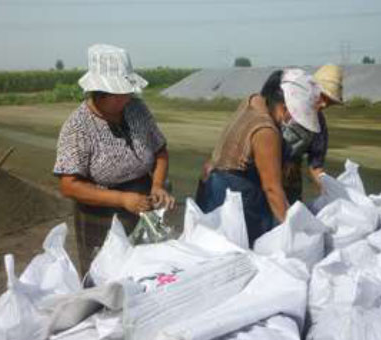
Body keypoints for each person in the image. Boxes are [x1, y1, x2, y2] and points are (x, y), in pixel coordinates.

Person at [54, 44, 175, 276]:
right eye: (119, 93)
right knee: (109, 280)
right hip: (101, 216)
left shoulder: (137, 109)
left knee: (152, 270)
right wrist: (121, 199)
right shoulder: (78, 126)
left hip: (144, 203)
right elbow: (68, 185)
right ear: (99, 93)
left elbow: (160, 150)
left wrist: (157, 185)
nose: (126, 97)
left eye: (127, 91)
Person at [196, 68, 323, 245]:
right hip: (236, 200)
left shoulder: (253, 101)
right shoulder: (266, 131)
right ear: (284, 108)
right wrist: (292, 232)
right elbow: (272, 189)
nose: (293, 123)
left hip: (213, 188)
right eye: (295, 117)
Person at [282, 64, 344, 203]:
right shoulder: (284, 106)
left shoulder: (319, 125)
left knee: (292, 217)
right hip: (264, 172)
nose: (324, 105)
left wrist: (328, 191)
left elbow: (316, 165)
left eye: (329, 102)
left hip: (291, 178)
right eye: (323, 97)